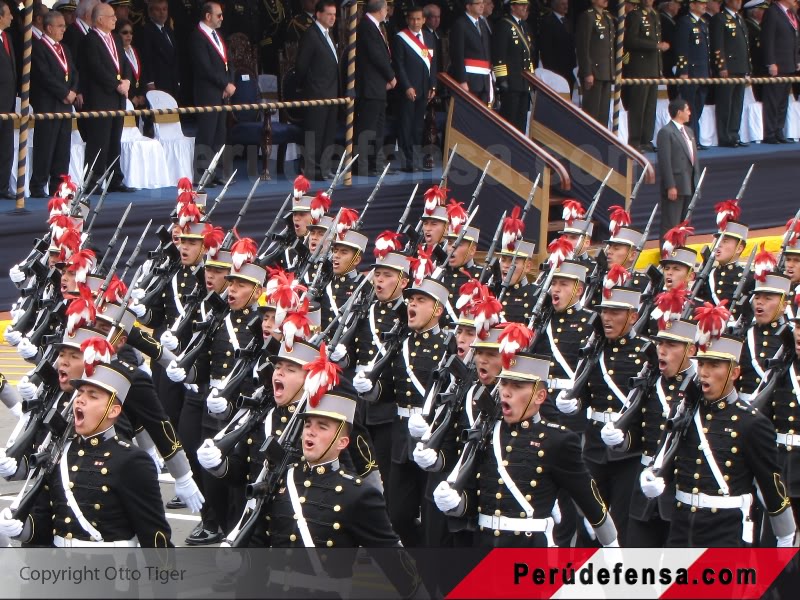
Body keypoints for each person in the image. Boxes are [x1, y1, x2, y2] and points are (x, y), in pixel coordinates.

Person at [433, 353, 621, 548]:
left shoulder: (557, 440)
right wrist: (455, 503)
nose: (506, 392)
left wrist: (611, 546)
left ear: (539, 396)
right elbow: (478, 498)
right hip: (483, 547)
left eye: (517, 386)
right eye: (504, 383)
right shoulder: (485, 435)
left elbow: (588, 497)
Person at [0, 350, 174, 548]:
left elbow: (154, 536)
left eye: (92, 396)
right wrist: (21, 528)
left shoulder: (131, 461)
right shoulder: (59, 453)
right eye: (80, 393)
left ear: (114, 410)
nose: (80, 400)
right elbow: (45, 523)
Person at [640, 335, 796, 547]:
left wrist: (785, 534)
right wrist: (651, 474)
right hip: (681, 526)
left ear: (734, 373)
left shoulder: (751, 422)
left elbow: (771, 483)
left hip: (725, 530)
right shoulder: (683, 411)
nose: (704, 372)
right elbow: (665, 453)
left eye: (714, 366)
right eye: (702, 364)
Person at [556, 288, 649, 545]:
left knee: (619, 522)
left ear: (632, 316)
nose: (607, 318)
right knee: (588, 515)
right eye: (604, 311)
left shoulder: (645, 352)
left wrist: (628, 435)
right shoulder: (594, 349)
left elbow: (649, 404)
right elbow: (587, 390)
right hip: (595, 443)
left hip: (627, 448)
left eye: (615, 312)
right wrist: (573, 401)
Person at [79, 2, 135, 193]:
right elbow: (96, 68)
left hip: (117, 98)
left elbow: (124, 62)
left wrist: (127, 80)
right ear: (100, 19)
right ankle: (93, 181)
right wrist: (116, 85)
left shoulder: (115, 39)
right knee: (98, 142)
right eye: (111, 16)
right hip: (100, 98)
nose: (115, 19)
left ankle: (114, 179)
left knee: (114, 140)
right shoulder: (91, 40)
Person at [30, 10, 79, 199]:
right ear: (49, 27)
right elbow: (44, 75)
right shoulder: (38, 47)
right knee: (46, 146)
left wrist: (73, 91)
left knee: (62, 148)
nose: (63, 29)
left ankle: (58, 187)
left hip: (65, 105)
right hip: (48, 104)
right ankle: (38, 186)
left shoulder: (64, 48)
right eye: (59, 26)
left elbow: (74, 72)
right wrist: (64, 93)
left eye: (64, 26)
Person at [295, 0, 340, 182]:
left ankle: (325, 168)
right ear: (318, 14)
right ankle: (313, 170)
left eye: (334, 14)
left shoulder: (329, 35)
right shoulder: (311, 34)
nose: (332, 18)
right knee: (315, 133)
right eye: (329, 14)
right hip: (316, 93)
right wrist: (310, 87)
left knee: (328, 133)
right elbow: (301, 66)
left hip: (332, 93)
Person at [191, 1, 235, 186]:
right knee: (207, 134)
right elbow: (205, 67)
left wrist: (230, 82)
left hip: (222, 93)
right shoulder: (197, 37)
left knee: (219, 134)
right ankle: (202, 174)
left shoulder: (218, 35)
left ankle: (214, 171)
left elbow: (228, 61)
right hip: (207, 92)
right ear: (208, 16)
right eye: (218, 15)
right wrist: (224, 84)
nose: (222, 18)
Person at [393, 6, 437, 173]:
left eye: (419, 19)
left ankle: (416, 159)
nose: (416, 22)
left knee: (419, 126)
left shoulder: (428, 37)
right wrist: (407, 86)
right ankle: (407, 162)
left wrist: (433, 85)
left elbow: (433, 65)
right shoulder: (401, 38)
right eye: (412, 19)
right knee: (406, 125)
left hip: (424, 89)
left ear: (424, 20)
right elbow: (399, 65)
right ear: (407, 20)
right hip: (408, 90)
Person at [355, 0, 397, 177]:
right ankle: (362, 166)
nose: (387, 12)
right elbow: (377, 56)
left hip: (377, 86)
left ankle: (376, 164)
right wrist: (391, 76)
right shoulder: (366, 26)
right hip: (369, 86)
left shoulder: (376, 26)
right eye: (386, 9)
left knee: (378, 128)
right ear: (381, 10)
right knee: (368, 129)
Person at [623, 0, 668, 153]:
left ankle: (646, 139)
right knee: (638, 105)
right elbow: (630, 40)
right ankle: (635, 140)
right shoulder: (635, 15)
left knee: (650, 106)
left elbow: (658, 41)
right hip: (640, 67)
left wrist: (659, 67)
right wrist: (654, 46)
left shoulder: (654, 14)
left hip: (653, 68)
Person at [656, 98, 701, 241]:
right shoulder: (666, 132)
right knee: (671, 222)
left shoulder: (689, 131)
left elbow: (693, 159)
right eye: (687, 109)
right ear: (679, 112)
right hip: (676, 184)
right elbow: (665, 161)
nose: (689, 112)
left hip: (690, 183)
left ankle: (680, 252)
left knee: (684, 222)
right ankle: (667, 253)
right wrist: (670, 185)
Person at [710, 0, 750, 147]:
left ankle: (734, 134)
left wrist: (747, 67)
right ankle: (725, 136)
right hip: (728, 69)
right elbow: (718, 45)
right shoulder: (720, 18)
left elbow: (744, 46)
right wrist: (722, 66)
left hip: (740, 67)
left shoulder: (739, 18)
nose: (739, 2)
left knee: (737, 104)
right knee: (725, 103)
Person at [760, 0, 800, 144]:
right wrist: (771, 62)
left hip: (789, 64)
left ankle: (779, 131)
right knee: (773, 100)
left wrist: (796, 60)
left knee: (783, 101)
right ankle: (770, 133)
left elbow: (795, 38)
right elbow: (767, 39)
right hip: (777, 65)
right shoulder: (772, 12)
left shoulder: (791, 14)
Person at [492, 0, 533, 132]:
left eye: (526, 5)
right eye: (521, 4)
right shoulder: (504, 25)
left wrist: (531, 77)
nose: (525, 7)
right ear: (512, 7)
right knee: (510, 120)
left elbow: (527, 55)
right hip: (511, 82)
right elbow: (500, 55)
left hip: (523, 82)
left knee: (521, 119)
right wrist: (502, 79)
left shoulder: (523, 25)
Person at [674, 0, 711, 140]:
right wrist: (683, 70)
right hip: (691, 72)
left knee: (698, 106)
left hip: (702, 72)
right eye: (701, 3)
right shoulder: (685, 22)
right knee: (690, 107)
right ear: (692, 5)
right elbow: (682, 48)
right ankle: (691, 136)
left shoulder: (703, 23)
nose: (704, 5)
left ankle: (694, 135)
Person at [576, 0, 615, 127]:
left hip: (606, 71)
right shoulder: (587, 16)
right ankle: (589, 143)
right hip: (594, 72)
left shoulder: (608, 17)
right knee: (592, 113)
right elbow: (583, 47)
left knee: (603, 113)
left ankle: (601, 143)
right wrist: (587, 72)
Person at [449, 0, 493, 105]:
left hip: (484, 79)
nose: (482, 6)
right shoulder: (460, 24)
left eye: (482, 3)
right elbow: (457, 55)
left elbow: (486, 52)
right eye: (478, 3)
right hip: (469, 79)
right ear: (468, 6)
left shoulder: (482, 23)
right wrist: (462, 80)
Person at [139, 0, 180, 101]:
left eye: (164, 9)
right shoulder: (147, 31)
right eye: (158, 10)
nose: (162, 13)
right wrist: (150, 82)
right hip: (158, 82)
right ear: (150, 12)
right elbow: (146, 58)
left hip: (172, 81)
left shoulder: (168, 30)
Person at [538, 0, 577, 94]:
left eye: (567, 4)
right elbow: (546, 48)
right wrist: (550, 70)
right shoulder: (548, 22)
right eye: (562, 4)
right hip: (556, 68)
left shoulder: (568, 22)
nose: (566, 6)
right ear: (554, 5)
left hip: (569, 68)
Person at [0, 1, 16, 200]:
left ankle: (2, 187)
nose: (12, 17)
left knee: (6, 148)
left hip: (8, 102)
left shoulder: (7, 37)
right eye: (8, 14)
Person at [116, 19, 147, 108]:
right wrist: (132, 96)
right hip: (126, 97)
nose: (129, 35)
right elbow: (119, 77)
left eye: (131, 32)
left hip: (139, 98)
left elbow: (142, 73)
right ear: (117, 34)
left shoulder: (135, 50)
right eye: (125, 32)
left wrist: (142, 94)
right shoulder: (116, 52)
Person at [745, 0, 769, 104]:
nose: (765, 12)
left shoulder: (763, 26)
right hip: (755, 69)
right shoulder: (747, 26)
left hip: (764, 69)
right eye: (762, 10)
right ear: (754, 12)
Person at [659, 0, 681, 100]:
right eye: (677, 4)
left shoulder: (669, 19)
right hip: (666, 62)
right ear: (670, 5)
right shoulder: (662, 19)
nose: (679, 7)